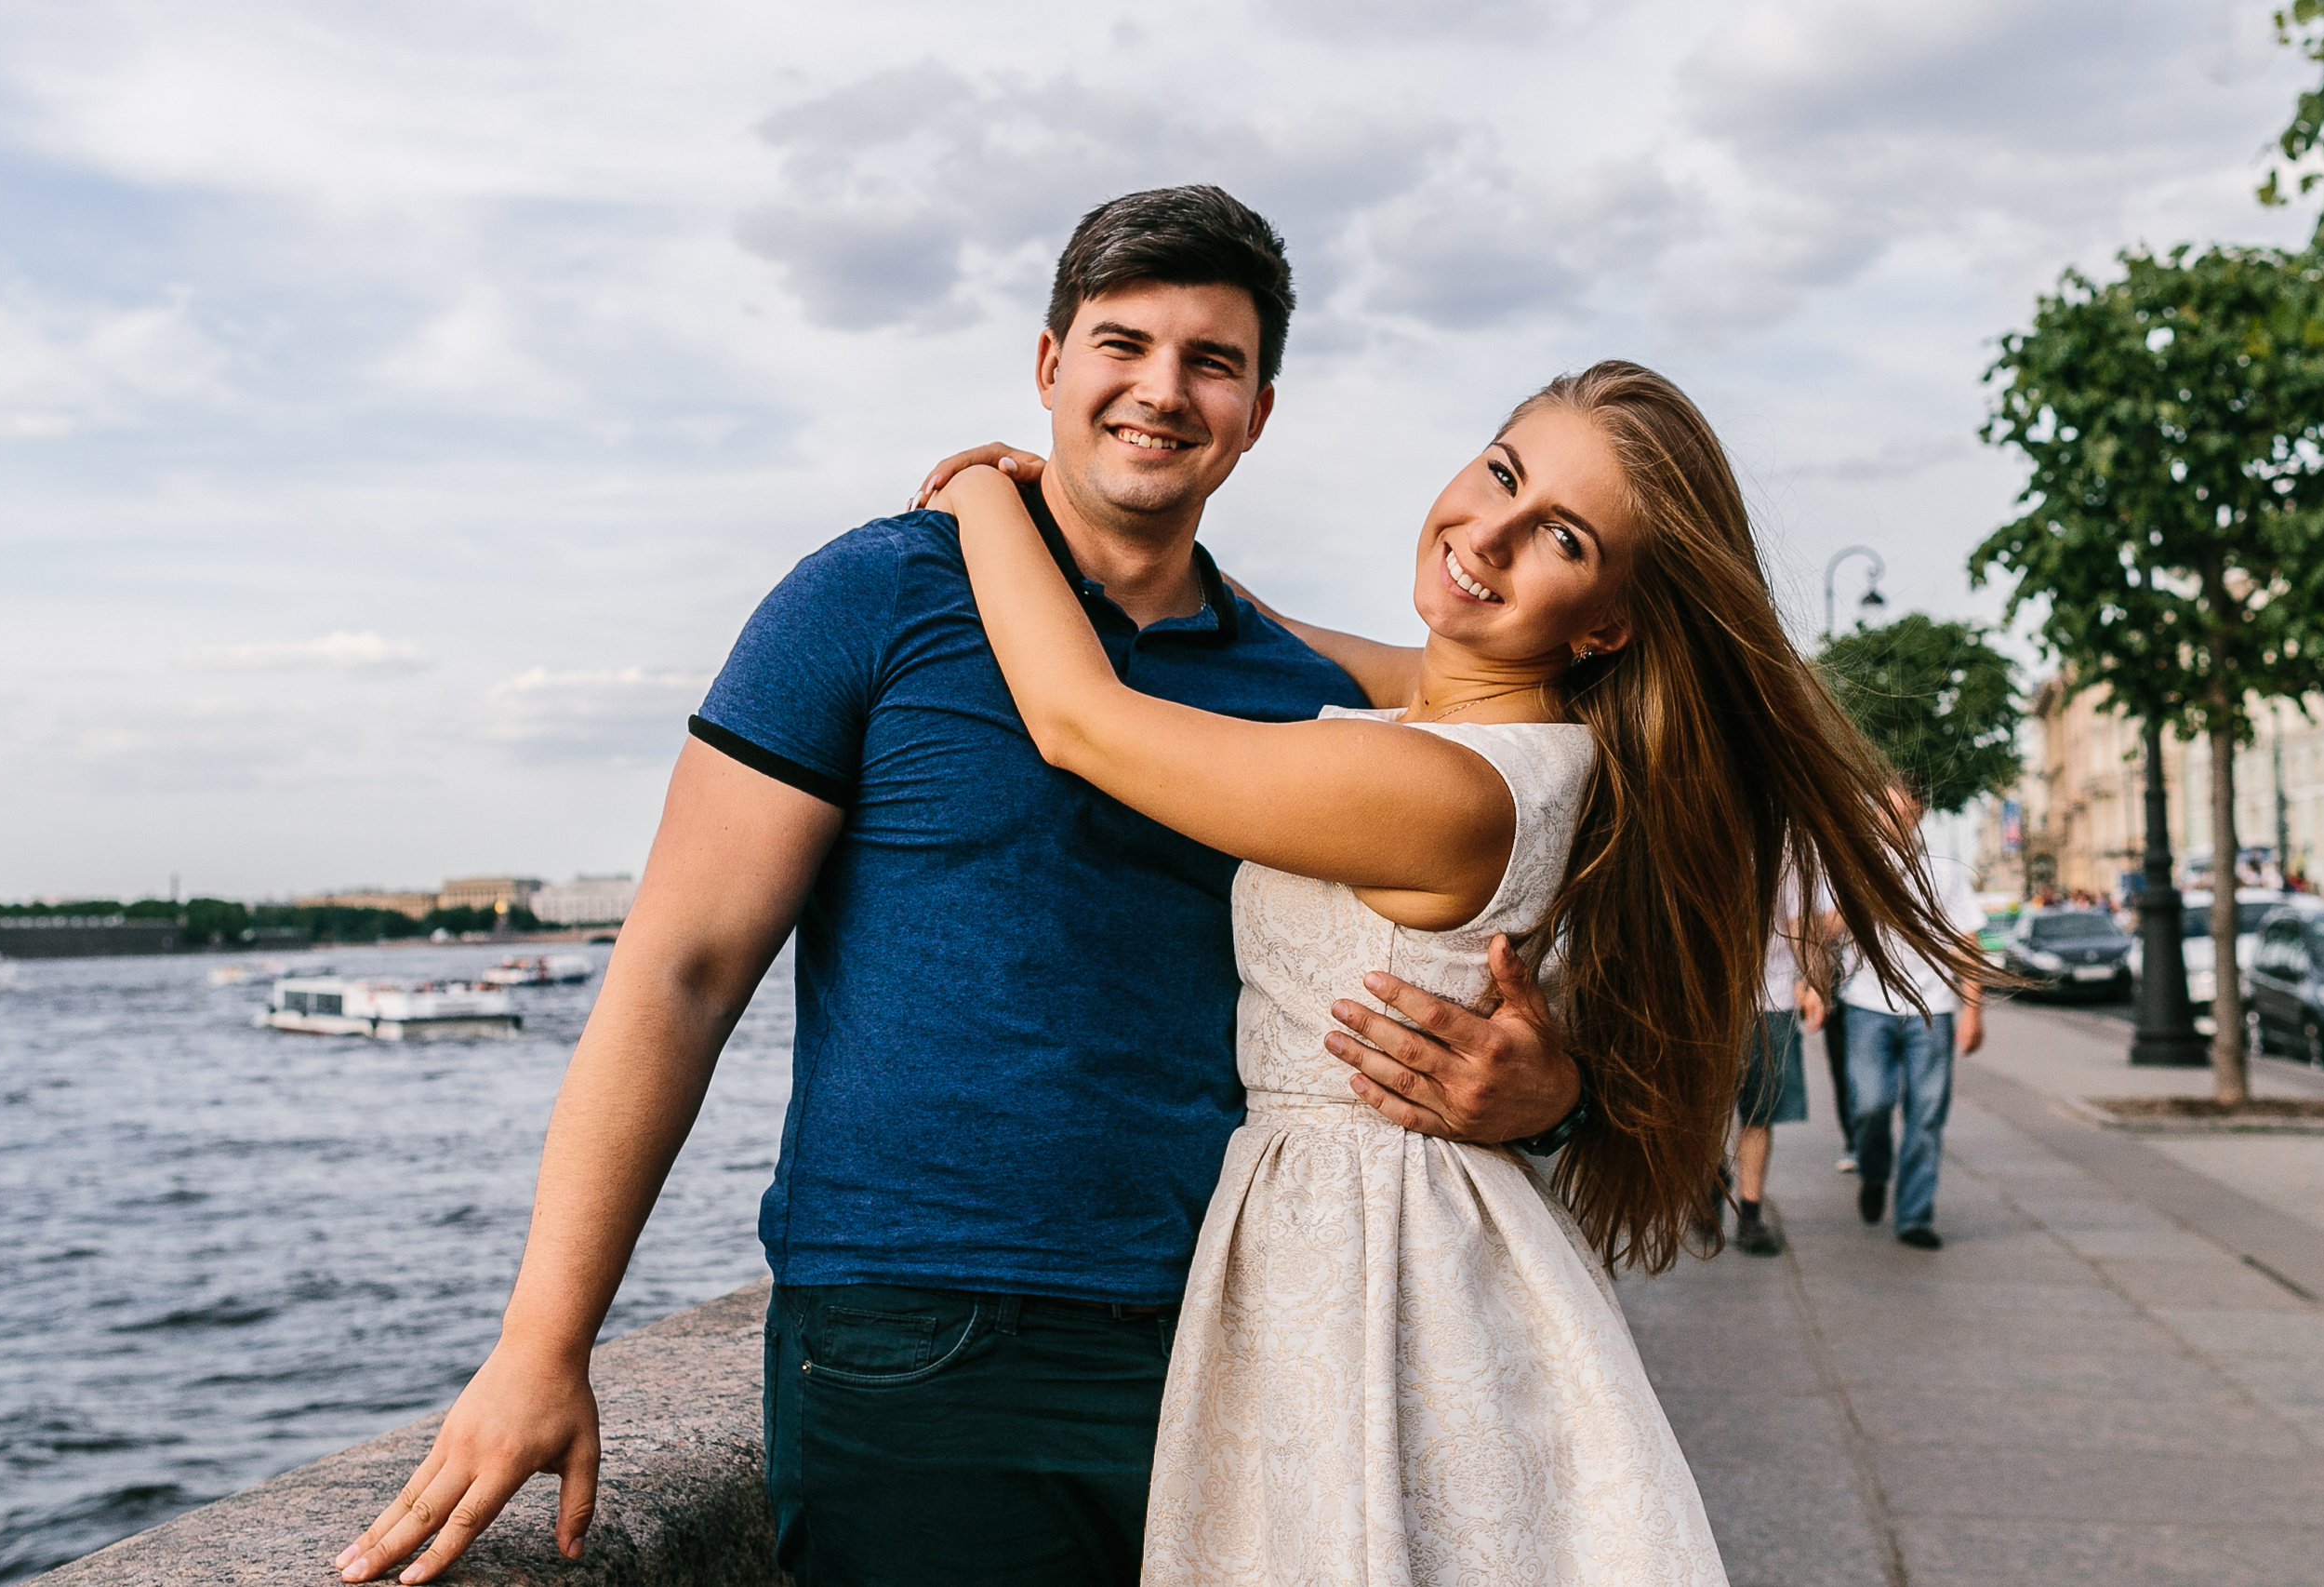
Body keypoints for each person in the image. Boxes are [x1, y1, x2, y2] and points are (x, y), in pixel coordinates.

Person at [334, 187, 1585, 1587]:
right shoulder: (870, 599)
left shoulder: (1299, 696)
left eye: (1211, 361)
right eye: (1124, 343)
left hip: (1239, 1340)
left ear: (1258, 412)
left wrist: (1553, 1091)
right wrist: (541, 1340)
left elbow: (1510, 791)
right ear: (1049, 367)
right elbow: (680, 973)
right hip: (919, 1337)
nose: (1162, 390)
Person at [928, 360, 1983, 1583]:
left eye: (1562, 538)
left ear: (1607, 623)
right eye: (1501, 472)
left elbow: (1082, 722)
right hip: (1391, 1238)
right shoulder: (1488, 729)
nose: (1489, 531)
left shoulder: (1443, 790)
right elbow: (1286, 640)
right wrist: (1091, 525)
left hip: (1364, 1263)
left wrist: (980, 491)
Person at [1839, 776, 1987, 1251]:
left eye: (1900, 815)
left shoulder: (1943, 869)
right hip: (1866, 1006)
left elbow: (1967, 940)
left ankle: (1914, 1217)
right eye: (1882, 813)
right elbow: (1826, 931)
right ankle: (1875, 1171)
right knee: (1870, 1105)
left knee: (1926, 1117)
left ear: (1918, 814)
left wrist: (1972, 1009)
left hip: (1933, 1010)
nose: (1890, 823)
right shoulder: (1853, 864)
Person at [1730, 877, 1829, 1255]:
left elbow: (1801, 920)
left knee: (1759, 1112)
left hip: (1769, 998)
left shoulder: (1785, 833)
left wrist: (1815, 980)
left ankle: (1749, 1215)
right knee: (1707, 1113)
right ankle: (1706, 1188)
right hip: (1706, 1000)